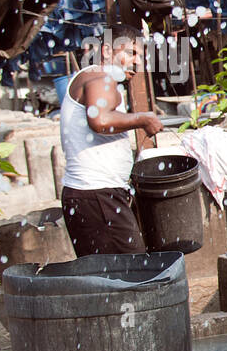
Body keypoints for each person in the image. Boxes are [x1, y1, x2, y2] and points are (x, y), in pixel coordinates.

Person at [59, 33, 163, 256]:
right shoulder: (99, 76)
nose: (137, 61)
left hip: (94, 196)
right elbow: (100, 120)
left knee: (110, 279)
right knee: (133, 275)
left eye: (140, 56)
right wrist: (143, 118)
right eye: (131, 53)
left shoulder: (97, 79)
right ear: (106, 51)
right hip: (97, 195)